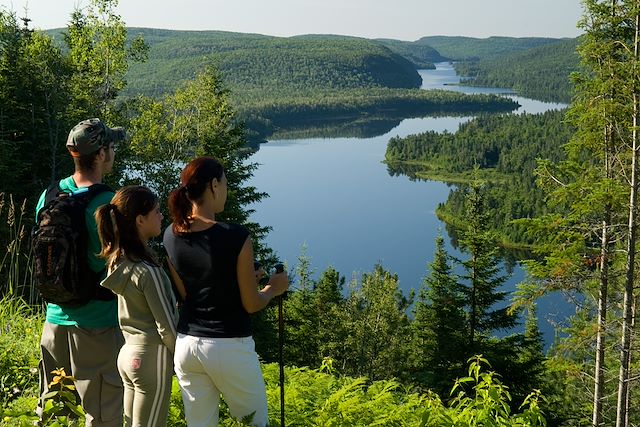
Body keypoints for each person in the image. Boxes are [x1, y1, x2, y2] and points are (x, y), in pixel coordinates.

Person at [163, 156, 289, 427]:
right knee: (254, 423)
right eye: (225, 182)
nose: (227, 189)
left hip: (187, 344)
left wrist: (238, 279)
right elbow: (252, 304)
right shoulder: (235, 237)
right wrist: (272, 289)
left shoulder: (171, 234)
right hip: (229, 345)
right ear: (213, 186)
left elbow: (189, 292)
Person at [36, 118, 125, 426]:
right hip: (97, 326)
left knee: (56, 410)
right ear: (100, 154)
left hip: (54, 322)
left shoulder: (48, 197)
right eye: (111, 147)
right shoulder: (106, 204)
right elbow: (118, 264)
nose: (113, 152)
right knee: (102, 415)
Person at [96, 185, 178, 427]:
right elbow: (167, 326)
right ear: (140, 220)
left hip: (128, 355)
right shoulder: (148, 271)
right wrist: (185, 361)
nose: (162, 216)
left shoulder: (118, 262)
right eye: (156, 212)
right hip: (152, 358)